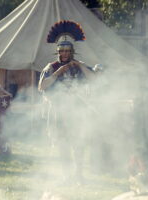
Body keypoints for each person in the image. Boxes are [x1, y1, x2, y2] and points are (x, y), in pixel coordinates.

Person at [38, 20, 94, 183]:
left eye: (67, 51)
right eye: (62, 51)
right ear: (58, 52)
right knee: (62, 144)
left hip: (77, 110)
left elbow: (95, 79)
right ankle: (66, 175)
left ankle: (78, 174)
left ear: (72, 52)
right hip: (59, 111)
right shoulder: (52, 67)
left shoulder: (78, 66)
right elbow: (42, 86)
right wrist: (59, 72)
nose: (64, 54)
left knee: (78, 143)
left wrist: (81, 66)